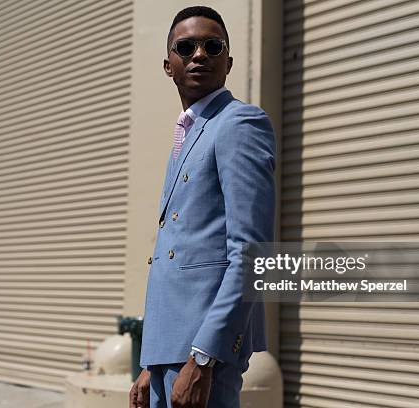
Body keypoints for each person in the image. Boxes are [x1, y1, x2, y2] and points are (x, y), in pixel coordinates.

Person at [129, 6, 275, 408]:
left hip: (202, 355)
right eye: (186, 46)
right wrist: (149, 361)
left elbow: (251, 252)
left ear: (228, 61)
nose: (199, 55)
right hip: (168, 352)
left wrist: (204, 356)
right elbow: (175, 253)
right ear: (168, 65)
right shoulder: (189, 132)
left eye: (213, 46)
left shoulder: (239, 124)